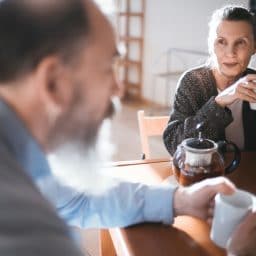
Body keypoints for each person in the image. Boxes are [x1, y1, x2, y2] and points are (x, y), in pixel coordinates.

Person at [0, 0, 236, 255]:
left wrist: (178, 200)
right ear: (53, 82)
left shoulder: (26, 151)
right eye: (107, 69)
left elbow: (80, 199)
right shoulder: (17, 223)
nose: (118, 89)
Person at [163, 5, 256, 156]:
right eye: (221, 41)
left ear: (254, 47)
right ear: (210, 44)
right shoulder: (192, 82)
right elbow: (174, 145)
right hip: (207, 175)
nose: (230, 53)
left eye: (240, 42)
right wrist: (219, 102)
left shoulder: (255, 84)